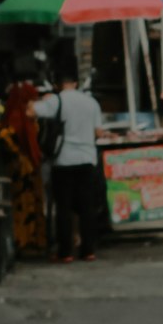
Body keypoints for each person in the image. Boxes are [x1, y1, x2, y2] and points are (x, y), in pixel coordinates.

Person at [30, 60, 103, 263]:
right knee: (87, 206)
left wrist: (43, 99)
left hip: (63, 160)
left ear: (56, 83)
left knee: (64, 207)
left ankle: (66, 252)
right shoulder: (91, 102)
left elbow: (31, 111)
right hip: (87, 160)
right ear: (76, 82)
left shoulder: (56, 100)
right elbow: (98, 132)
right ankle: (88, 250)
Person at [0, 82, 47, 255]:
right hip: (22, 169)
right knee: (23, 204)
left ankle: (31, 239)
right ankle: (23, 239)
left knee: (30, 203)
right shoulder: (16, 116)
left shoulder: (26, 115)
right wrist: (19, 155)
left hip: (29, 167)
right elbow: (6, 136)